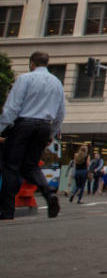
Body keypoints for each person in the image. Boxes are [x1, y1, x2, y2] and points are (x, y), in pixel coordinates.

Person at [0, 51, 64, 220]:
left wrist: (1, 128)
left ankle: (7, 210)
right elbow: (60, 113)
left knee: (11, 166)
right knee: (31, 165)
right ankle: (49, 194)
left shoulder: (25, 78)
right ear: (47, 63)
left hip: (24, 124)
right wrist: (51, 133)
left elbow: (12, 107)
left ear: (31, 63)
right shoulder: (57, 83)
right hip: (44, 126)